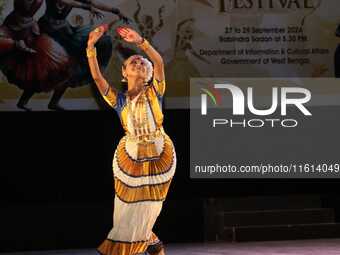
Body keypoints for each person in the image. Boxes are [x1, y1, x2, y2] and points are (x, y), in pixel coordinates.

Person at [87, 25, 176, 255]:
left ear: (149, 73)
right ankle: (150, 242)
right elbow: (97, 78)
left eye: (142, 63)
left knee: (148, 207)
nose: (139, 63)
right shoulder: (119, 100)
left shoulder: (156, 90)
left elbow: (159, 62)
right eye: (133, 63)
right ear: (124, 73)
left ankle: (135, 244)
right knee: (127, 211)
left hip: (159, 155)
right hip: (131, 157)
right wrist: (90, 48)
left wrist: (141, 43)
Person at [38, 0, 129, 110]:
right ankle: (31, 101)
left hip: (64, 31)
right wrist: (87, 7)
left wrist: (117, 11)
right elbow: (69, 2)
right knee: (57, 69)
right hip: (49, 31)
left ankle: (53, 102)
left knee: (72, 68)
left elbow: (93, 3)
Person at [0, 0, 70, 110]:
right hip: (15, 28)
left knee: (49, 70)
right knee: (33, 72)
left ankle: (28, 102)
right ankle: (23, 102)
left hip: (32, 31)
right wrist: (16, 43)